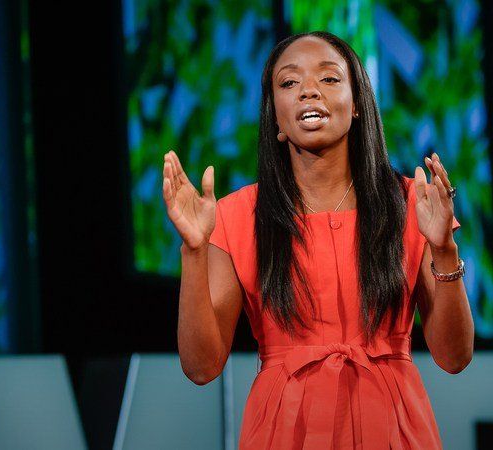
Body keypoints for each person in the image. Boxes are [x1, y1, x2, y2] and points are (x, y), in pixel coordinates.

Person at [162, 31, 473, 450]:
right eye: (289, 82)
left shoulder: (410, 204)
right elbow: (201, 367)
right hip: (283, 433)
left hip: (394, 430)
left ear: (357, 104)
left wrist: (443, 249)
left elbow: (454, 357)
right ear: (275, 116)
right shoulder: (237, 216)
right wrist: (194, 251)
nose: (309, 91)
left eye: (329, 78)